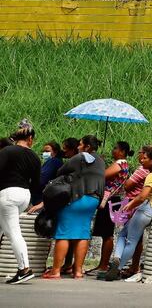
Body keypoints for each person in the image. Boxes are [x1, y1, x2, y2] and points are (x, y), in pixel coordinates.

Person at [43, 135, 106, 280]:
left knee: (63, 234)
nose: (78, 147)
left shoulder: (79, 158)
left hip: (76, 198)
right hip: (93, 200)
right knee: (82, 234)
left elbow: (60, 171)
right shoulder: (101, 161)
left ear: (87, 147)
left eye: (80, 144)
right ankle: (78, 272)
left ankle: (56, 271)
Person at [105, 148, 152, 281]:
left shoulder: (151, 175)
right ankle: (117, 259)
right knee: (123, 234)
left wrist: (130, 204)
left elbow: (143, 196)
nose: (142, 160)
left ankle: (117, 267)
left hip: (146, 209)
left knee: (131, 240)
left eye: (145, 158)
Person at [0, 119, 40, 285]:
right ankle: (23, 269)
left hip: (8, 194)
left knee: (13, 232)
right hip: (24, 195)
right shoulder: (35, 157)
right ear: (30, 139)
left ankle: (24, 269)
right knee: (2, 228)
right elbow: (37, 183)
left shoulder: (7, 151)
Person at [90, 141, 133, 279]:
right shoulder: (124, 163)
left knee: (107, 233)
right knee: (105, 233)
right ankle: (102, 263)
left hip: (110, 199)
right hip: (114, 200)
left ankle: (103, 265)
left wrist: (100, 164)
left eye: (115, 148)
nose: (113, 150)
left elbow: (102, 175)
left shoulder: (120, 163)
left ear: (122, 151)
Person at [27, 140, 62, 210]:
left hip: (41, 199)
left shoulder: (53, 162)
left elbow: (41, 180)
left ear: (55, 152)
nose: (45, 153)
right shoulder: (54, 162)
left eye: (47, 151)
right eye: (43, 151)